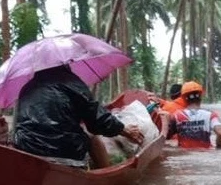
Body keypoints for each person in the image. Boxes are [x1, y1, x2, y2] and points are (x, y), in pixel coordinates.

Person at [12, 65, 144, 169]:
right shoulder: (70, 82)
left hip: (27, 150)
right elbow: (98, 122)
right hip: (66, 152)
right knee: (92, 137)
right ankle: (107, 175)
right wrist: (124, 130)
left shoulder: (26, 88)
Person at [167, 81, 221, 149]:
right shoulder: (211, 115)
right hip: (206, 155)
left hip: (184, 154)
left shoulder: (176, 115)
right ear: (200, 97)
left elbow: (167, 136)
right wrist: (218, 147)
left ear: (184, 99)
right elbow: (220, 133)